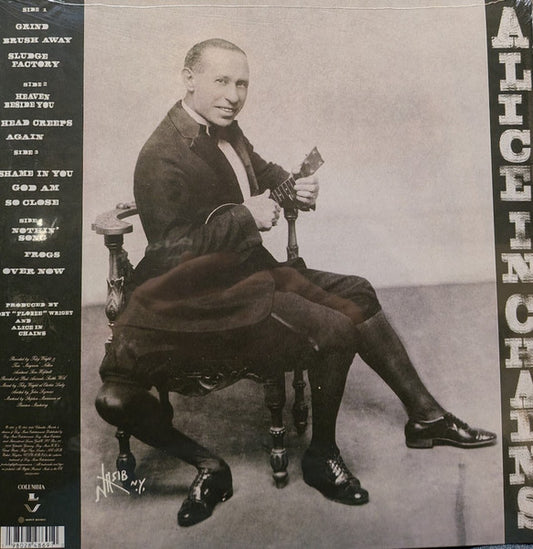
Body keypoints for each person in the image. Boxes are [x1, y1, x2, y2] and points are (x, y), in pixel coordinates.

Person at [95, 38, 496, 527]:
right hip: (195, 299)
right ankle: (317, 456)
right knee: (335, 330)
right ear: (189, 79)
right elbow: (174, 252)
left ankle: (425, 417)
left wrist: (296, 186)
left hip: (245, 273)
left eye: (242, 83)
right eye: (221, 81)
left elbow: (264, 173)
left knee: (359, 292)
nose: (233, 95)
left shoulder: (226, 128)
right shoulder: (161, 154)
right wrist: (246, 217)